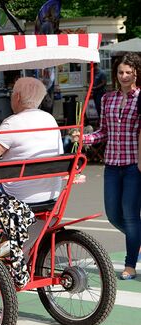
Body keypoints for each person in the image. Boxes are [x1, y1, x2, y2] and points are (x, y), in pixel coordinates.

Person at [83, 52, 141, 280]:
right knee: (113, 215)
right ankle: (136, 239)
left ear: (136, 72)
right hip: (111, 165)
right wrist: (85, 138)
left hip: (133, 167)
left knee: (130, 215)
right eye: (120, 72)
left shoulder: (140, 97)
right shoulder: (108, 98)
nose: (124, 76)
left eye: (129, 72)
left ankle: (130, 265)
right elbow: (104, 131)